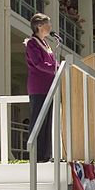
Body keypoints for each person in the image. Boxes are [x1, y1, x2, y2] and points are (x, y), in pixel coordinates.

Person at [25, 13, 58, 162]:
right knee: (38, 120)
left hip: (49, 88)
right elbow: (38, 64)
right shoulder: (32, 43)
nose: (50, 27)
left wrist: (57, 67)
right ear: (39, 26)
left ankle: (45, 155)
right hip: (38, 87)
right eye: (47, 24)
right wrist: (55, 68)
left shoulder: (47, 44)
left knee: (47, 122)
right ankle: (35, 155)